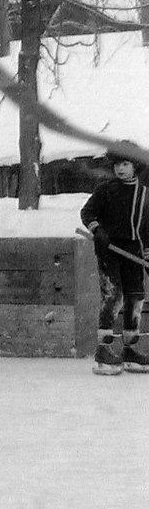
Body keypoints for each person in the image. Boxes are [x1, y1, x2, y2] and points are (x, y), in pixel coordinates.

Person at [80, 140, 149, 374]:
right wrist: (98, 230)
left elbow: (147, 230)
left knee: (135, 298)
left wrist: (147, 255)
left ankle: (130, 350)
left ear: (135, 166)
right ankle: (104, 350)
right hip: (110, 250)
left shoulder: (144, 194)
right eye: (117, 164)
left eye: (126, 163)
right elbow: (87, 212)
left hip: (134, 252)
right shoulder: (105, 189)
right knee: (114, 295)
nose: (120, 169)